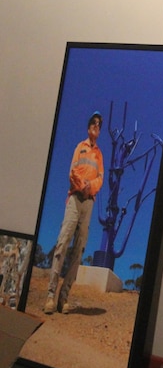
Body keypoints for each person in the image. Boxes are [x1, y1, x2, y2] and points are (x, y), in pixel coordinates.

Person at [44, 111, 104, 314]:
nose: (97, 126)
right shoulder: (80, 147)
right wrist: (82, 185)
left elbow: (101, 178)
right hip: (75, 199)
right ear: (88, 128)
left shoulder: (99, 155)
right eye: (94, 123)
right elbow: (73, 172)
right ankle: (51, 296)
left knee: (78, 250)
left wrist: (91, 187)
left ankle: (63, 298)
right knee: (62, 243)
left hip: (88, 203)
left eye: (100, 125)